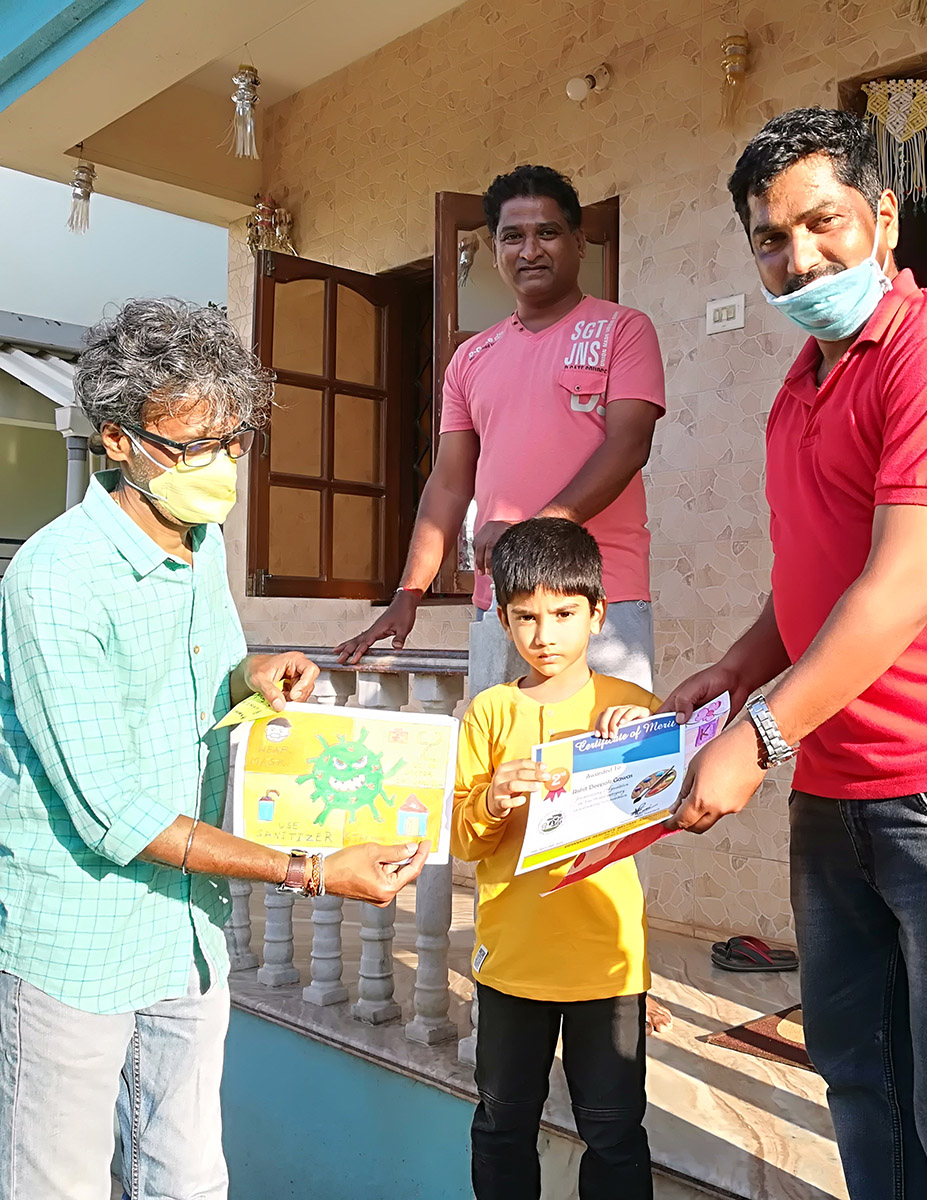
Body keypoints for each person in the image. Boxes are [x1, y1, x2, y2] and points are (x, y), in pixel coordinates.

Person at [663, 109, 927, 1200]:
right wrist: (736, 672)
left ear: (884, 217)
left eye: (824, 223)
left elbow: (903, 585)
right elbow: (818, 572)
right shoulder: (799, 388)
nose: (799, 258)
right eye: (770, 238)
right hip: (837, 775)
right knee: (861, 1076)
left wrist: (758, 735)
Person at [0, 299, 429, 1200]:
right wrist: (311, 871)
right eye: (193, 446)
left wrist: (251, 675)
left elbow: (203, 679)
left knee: (187, 1179)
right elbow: (116, 813)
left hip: (186, 933)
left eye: (233, 441)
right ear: (117, 441)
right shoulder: (54, 579)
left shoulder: (201, 543)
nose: (221, 466)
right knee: (57, 1184)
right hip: (76, 942)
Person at [337, 163, 674, 1032]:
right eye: (513, 236)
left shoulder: (622, 329)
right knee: (499, 787)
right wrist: (410, 592)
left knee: (612, 784)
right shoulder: (472, 357)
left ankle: (611, 974)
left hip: (601, 599)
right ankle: (513, 972)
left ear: (578, 241)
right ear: (492, 250)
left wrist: (535, 532)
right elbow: (449, 483)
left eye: (548, 231)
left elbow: (628, 445)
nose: (531, 249)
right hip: (505, 610)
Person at [452, 518, 655, 1200]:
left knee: (615, 1132)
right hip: (512, 959)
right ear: (504, 621)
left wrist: (642, 749)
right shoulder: (490, 712)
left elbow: (675, 806)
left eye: (564, 614)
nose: (545, 635)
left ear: (597, 614)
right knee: (502, 1126)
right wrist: (492, 800)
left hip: (606, 962)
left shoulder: (632, 709)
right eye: (526, 617)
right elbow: (462, 840)